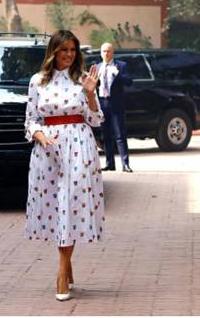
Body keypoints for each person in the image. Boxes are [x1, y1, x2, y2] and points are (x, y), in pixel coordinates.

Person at [24, 30, 105, 301]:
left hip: (80, 148)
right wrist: (40, 136)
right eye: (64, 50)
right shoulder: (37, 81)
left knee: (71, 204)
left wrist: (91, 95)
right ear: (54, 52)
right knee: (56, 207)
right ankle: (67, 265)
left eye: (72, 50)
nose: (69, 54)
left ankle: (61, 272)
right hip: (48, 151)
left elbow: (96, 120)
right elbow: (31, 120)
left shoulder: (84, 79)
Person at [95, 42, 134, 172]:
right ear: (101, 53)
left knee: (120, 135)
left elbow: (129, 82)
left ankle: (125, 164)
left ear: (113, 52)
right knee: (106, 136)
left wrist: (118, 74)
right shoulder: (97, 67)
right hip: (102, 104)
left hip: (115, 104)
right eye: (104, 51)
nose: (106, 54)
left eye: (108, 51)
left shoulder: (121, 66)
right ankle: (110, 163)